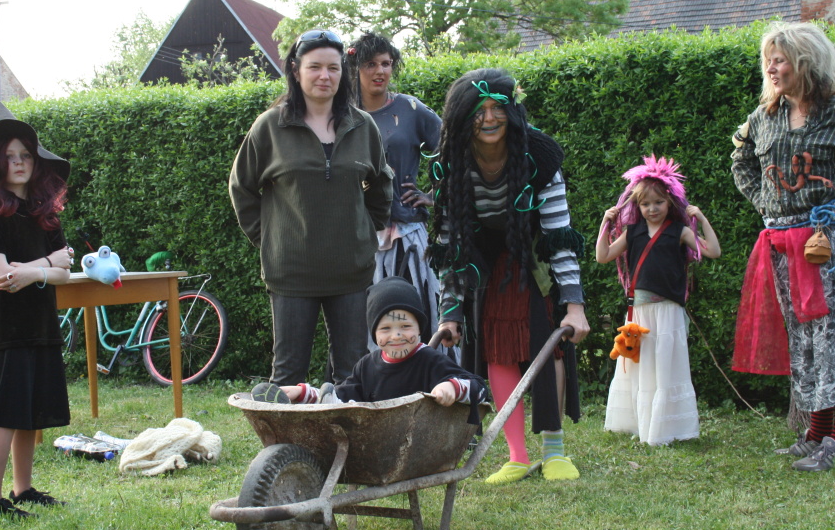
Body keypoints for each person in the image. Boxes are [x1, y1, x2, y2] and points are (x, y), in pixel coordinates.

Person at [731, 21, 835, 471]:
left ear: (805, 63)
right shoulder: (765, 116)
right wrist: (765, 200)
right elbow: (741, 158)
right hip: (784, 247)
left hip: (830, 247)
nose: (771, 67)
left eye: (780, 59)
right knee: (808, 343)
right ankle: (815, 436)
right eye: (768, 60)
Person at [428, 68, 590, 485]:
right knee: (497, 351)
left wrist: (574, 306)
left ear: (512, 111)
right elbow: (451, 245)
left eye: (497, 107)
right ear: (462, 116)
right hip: (486, 265)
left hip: (533, 257)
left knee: (548, 347)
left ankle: (554, 450)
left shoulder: (540, 156)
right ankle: (517, 456)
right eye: (478, 110)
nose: (488, 118)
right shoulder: (451, 162)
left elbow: (559, 236)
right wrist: (450, 312)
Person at [229, 30, 393, 386]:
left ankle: (345, 427)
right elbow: (242, 188)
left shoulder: (362, 126)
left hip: (351, 271)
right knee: (287, 375)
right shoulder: (270, 127)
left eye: (333, 68)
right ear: (295, 69)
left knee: (352, 373)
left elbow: (381, 185)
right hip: (292, 272)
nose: (324, 76)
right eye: (314, 67)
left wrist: (364, 232)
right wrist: (271, 239)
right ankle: (285, 428)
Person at [0, 102, 76, 518]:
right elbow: (1, 276)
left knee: (31, 415)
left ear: (36, 162)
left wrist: (34, 271)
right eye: (10, 156)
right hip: (9, 331)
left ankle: (23, 488)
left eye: (25, 155)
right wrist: (46, 265)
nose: (18, 163)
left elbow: (65, 274)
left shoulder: (46, 216)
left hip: (42, 325)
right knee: (7, 416)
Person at [595, 156, 721, 446]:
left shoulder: (680, 231)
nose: (652, 209)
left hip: (668, 310)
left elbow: (713, 251)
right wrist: (605, 223)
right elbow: (603, 256)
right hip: (639, 312)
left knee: (665, 366)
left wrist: (701, 219)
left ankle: (665, 428)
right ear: (637, 206)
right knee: (640, 366)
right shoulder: (632, 232)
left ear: (670, 202)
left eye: (658, 202)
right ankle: (640, 424)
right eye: (645, 204)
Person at [251, 277, 487, 415]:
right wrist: (303, 393)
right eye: (385, 329)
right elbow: (342, 399)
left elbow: (480, 388)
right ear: (374, 333)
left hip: (421, 441)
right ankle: (300, 396)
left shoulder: (430, 360)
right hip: (381, 441)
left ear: (420, 328)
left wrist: (452, 387)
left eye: (405, 326)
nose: (396, 335)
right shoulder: (367, 366)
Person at [345, 32, 446, 344]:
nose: (380, 71)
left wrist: (434, 196)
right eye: (371, 64)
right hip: (354, 239)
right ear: (355, 68)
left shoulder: (410, 109)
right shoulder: (341, 115)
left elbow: (455, 149)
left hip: (406, 237)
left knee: (412, 319)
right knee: (358, 325)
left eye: (386, 64)